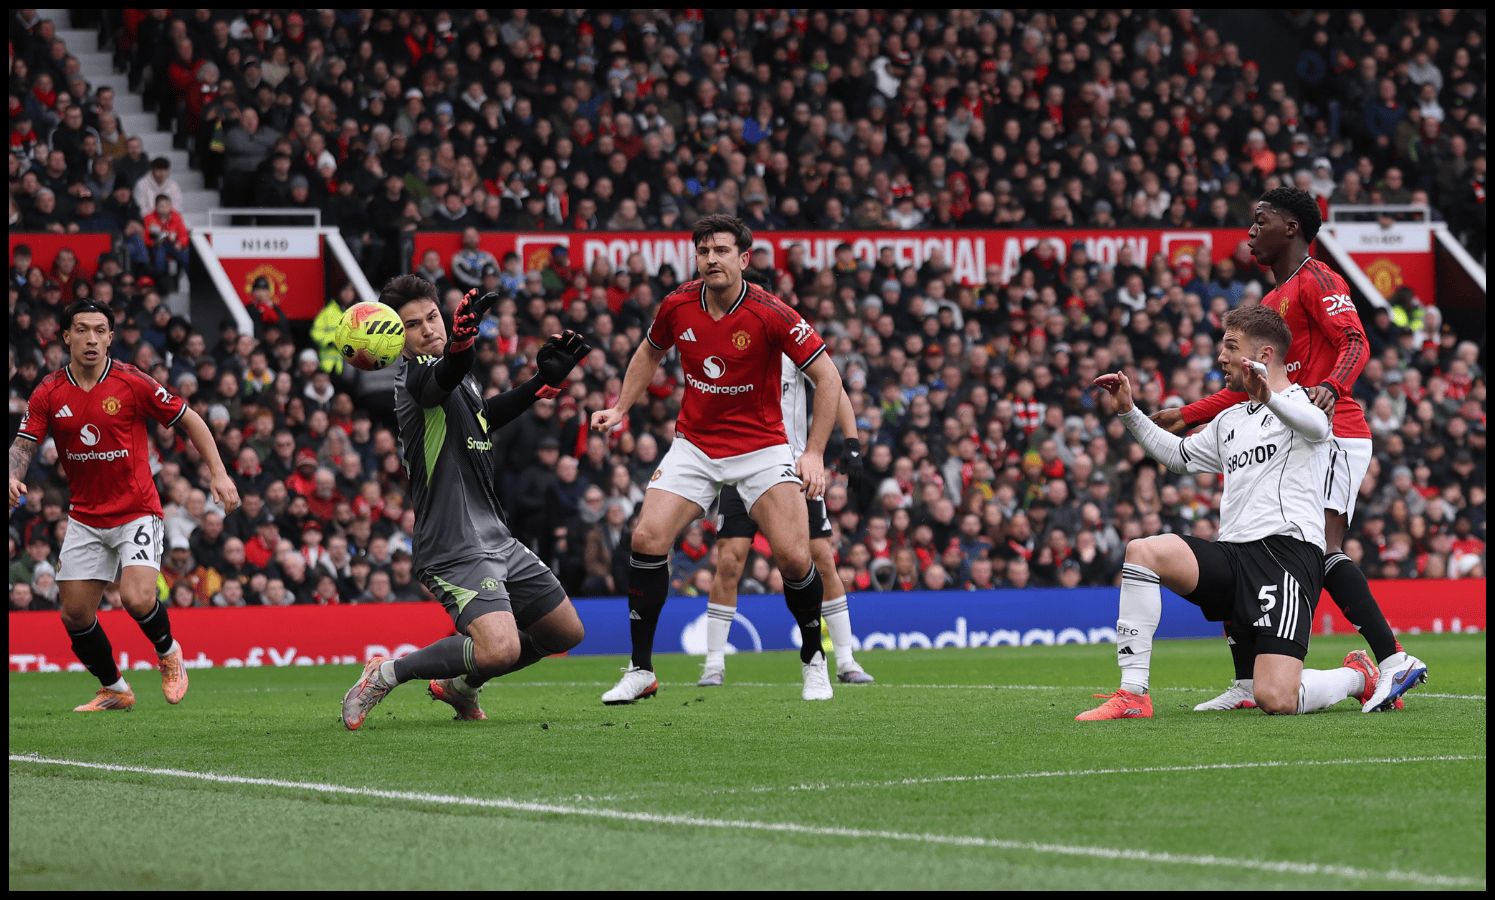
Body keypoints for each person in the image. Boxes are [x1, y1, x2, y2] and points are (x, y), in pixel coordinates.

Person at [1153, 187, 1427, 713]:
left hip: (1332, 432)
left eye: (1262, 221)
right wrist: (1189, 413)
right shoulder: (1274, 300)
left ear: (1293, 228)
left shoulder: (1318, 279)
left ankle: (1391, 662)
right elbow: (1253, 386)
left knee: (1317, 551)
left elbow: (1355, 340)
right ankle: (1246, 683)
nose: (1251, 232)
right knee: (1246, 540)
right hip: (1294, 434)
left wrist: (1335, 388)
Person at [1079, 306, 1388, 720]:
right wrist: (1129, 413)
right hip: (1232, 557)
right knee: (1143, 550)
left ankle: (1356, 676)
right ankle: (1133, 694)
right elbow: (1177, 456)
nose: (1221, 357)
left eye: (1230, 347)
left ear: (1262, 356)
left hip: (1286, 559)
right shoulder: (1230, 419)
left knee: (1276, 699)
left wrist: (1270, 398)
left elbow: (1317, 428)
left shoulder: (1302, 403)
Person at [590, 215, 845, 703]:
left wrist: (813, 453)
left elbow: (828, 378)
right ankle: (640, 670)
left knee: (795, 557)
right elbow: (649, 352)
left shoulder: (772, 313)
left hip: (761, 449)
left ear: (743, 259)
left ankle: (814, 659)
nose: (711, 259)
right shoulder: (677, 305)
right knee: (646, 538)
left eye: (722, 250)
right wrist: (620, 407)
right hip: (696, 445)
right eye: (704, 250)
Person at [339, 275, 591, 730]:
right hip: (453, 543)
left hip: (496, 536)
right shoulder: (413, 381)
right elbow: (443, 377)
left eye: (432, 317)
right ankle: (387, 672)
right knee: (502, 648)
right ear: (396, 337)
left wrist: (539, 384)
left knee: (565, 632)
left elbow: (484, 418)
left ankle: (461, 686)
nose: (428, 329)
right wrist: (461, 342)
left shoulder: (460, 379)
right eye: (412, 325)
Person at [8, 299, 241, 712]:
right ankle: (115, 688)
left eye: (100, 330)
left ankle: (169, 653)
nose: (91, 338)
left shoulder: (132, 382)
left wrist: (219, 473)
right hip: (84, 516)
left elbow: (190, 418)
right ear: (66, 337)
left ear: (111, 337)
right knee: (75, 615)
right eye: (82, 329)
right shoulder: (48, 390)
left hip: (136, 511)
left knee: (136, 598)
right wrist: (13, 474)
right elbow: (25, 443)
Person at [701, 365, 873, 686]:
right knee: (728, 562)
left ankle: (846, 659)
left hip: (792, 467)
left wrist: (851, 443)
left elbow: (832, 385)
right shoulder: (731, 345)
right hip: (739, 468)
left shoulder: (792, 343)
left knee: (821, 560)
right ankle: (713, 664)